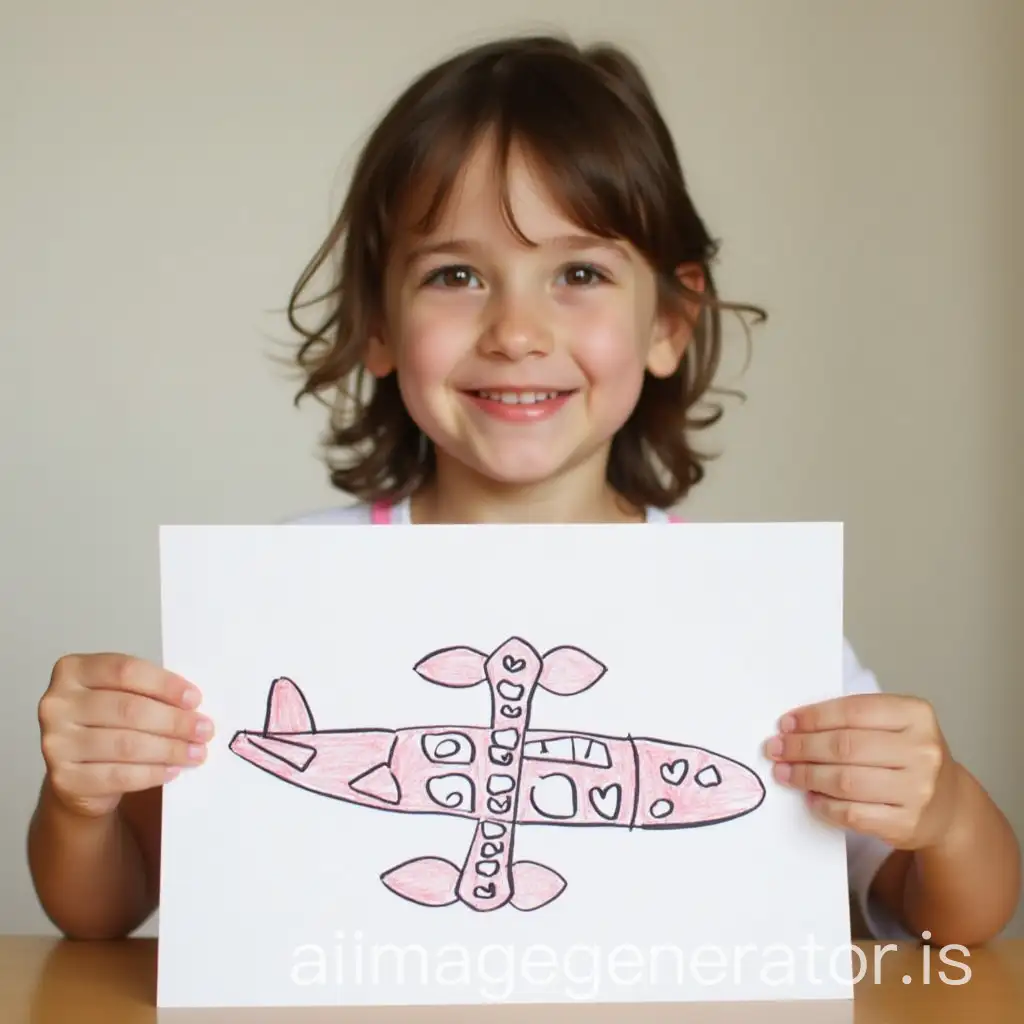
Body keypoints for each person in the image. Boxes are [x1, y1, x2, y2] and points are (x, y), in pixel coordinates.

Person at [28, 33, 1019, 947]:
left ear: (669, 322)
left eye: (577, 271)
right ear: (376, 319)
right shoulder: (289, 591)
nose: (515, 329)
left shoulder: (751, 623)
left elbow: (956, 923)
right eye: (456, 275)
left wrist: (941, 812)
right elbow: (113, 907)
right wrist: (82, 800)